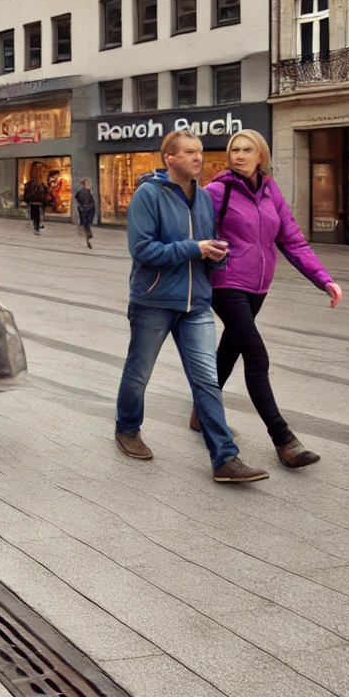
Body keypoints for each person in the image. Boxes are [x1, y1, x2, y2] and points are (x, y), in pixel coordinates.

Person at [115, 130, 268, 483]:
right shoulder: (147, 195)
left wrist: (214, 255)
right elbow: (143, 251)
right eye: (189, 152)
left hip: (196, 304)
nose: (198, 158)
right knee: (139, 374)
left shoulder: (202, 199)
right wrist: (193, 248)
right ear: (169, 157)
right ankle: (127, 428)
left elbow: (202, 247)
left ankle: (225, 458)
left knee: (207, 381)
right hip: (153, 300)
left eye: (199, 152)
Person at [199, 130, 339, 468]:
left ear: (261, 155)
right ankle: (284, 439)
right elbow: (196, 230)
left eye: (248, 149)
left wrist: (324, 279)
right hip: (226, 282)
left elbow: (292, 241)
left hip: (259, 286)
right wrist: (214, 248)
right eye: (235, 149)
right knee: (256, 355)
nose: (240, 155)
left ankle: (201, 411)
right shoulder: (217, 190)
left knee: (230, 351)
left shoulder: (270, 191)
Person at [22, 164, 49, 235]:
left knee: (34, 213)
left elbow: (26, 192)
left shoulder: (29, 183)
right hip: (39, 201)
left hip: (32, 201)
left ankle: (36, 225)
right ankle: (37, 225)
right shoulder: (40, 183)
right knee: (38, 213)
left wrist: (26, 200)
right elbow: (45, 191)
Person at [74, 178, 96, 247]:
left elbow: (77, 201)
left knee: (85, 223)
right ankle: (88, 236)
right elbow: (92, 201)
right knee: (87, 223)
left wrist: (80, 208)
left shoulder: (80, 192)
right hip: (89, 209)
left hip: (85, 209)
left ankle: (88, 236)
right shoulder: (89, 191)